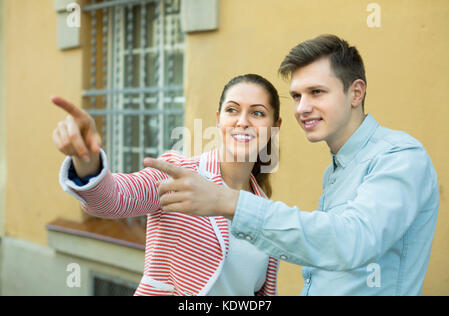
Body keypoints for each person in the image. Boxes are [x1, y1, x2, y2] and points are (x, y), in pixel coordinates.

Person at [146, 35, 440, 296]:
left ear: (356, 93)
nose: (302, 107)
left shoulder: (400, 156)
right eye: (297, 95)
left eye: (316, 92)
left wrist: (228, 201)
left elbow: (353, 240)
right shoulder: (338, 171)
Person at [52, 74, 282, 296]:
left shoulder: (265, 211)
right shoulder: (179, 174)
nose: (242, 121)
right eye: (232, 110)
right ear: (218, 119)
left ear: (275, 125)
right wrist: (86, 159)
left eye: (257, 113)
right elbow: (113, 199)